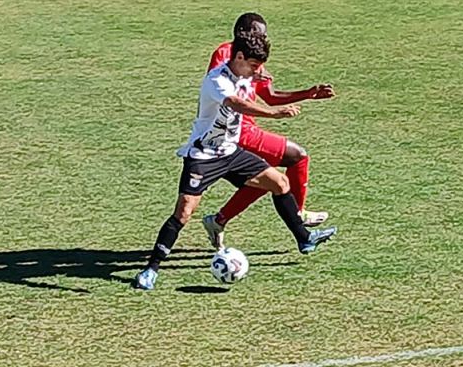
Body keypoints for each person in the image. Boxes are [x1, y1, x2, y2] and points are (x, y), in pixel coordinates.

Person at [134, 31, 337, 291]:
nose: (257, 70)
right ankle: (151, 269)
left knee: (280, 182)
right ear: (238, 57)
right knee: (184, 212)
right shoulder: (216, 80)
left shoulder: (244, 73)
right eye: (253, 65)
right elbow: (236, 103)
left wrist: (276, 83)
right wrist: (274, 114)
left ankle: (304, 238)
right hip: (204, 156)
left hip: (230, 152)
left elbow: (263, 88)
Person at [201, 13, 334, 250]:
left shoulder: (255, 59)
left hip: (248, 127)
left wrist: (308, 93)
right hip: (235, 129)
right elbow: (222, 92)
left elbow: (270, 97)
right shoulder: (225, 53)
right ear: (243, 33)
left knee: (268, 180)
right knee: (298, 156)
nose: (263, 38)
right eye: (258, 33)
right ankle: (298, 213)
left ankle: (218, 220)